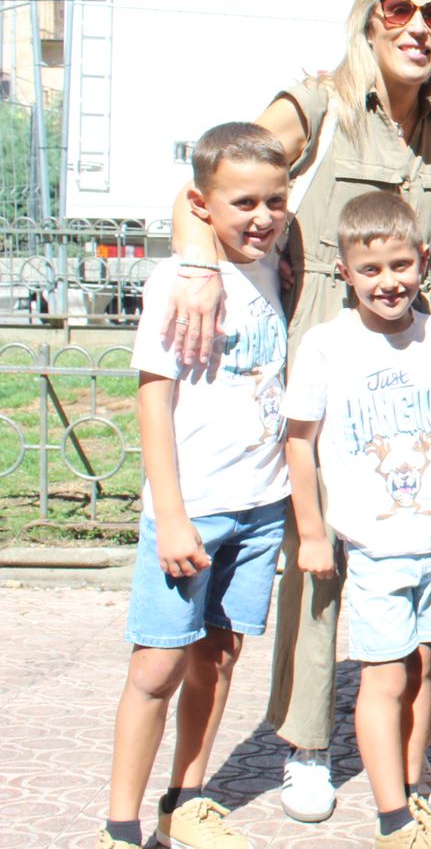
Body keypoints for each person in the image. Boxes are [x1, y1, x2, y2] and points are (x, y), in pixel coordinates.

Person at [165, 0, 431, 821]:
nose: (418, 25)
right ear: (369, 17)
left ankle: (412, 748)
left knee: (416, 537)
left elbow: (427, 236)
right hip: (318, 350)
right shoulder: (319, 102)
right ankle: (307, 742)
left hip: (405, 357)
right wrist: (195, 269)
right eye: (399, 9)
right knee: (319, 550)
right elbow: (218, 184)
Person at [100, 123, 291, 849]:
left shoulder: (277, 266)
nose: (263, 216)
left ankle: (188, 795)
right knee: (157, 663)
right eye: (243, 201)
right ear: (201, 203)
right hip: (193, 509)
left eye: (276, 199)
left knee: (218, 655)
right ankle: (120, 823)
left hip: (260, 505)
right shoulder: (177, 281)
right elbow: (155, 398)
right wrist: (172, 515)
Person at [281, 192, 431, 849]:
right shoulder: (327, 345)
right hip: (374, 547)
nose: (388, 281)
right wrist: (312, 532)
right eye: (371, 269)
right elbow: (300, 442)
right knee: (384, 675)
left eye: (401, 265)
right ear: (344, 271)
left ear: (423, 261)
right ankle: (393, 818)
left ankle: (413, 776)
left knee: (425, 667)